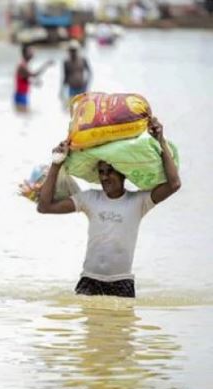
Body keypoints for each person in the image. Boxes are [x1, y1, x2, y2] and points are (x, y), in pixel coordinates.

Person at [36, 117, 181, 298]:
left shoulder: (139, 202)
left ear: (123, 174)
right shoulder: (90, 198)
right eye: (101, 172)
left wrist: (161, 141)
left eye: (110, 171)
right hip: (89, 281)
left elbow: (174, 184)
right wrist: (56, 163)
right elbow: (44, 206)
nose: (104, 177)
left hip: (122, 283)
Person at [14, 44, 54, 113]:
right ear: (24, 53)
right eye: (30, 51)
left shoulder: (24, 65)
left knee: (23, 115)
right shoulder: (22, 66)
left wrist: (34, 83)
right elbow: (34, 75)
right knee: (24, 115)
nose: (32, 53)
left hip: (22, 94)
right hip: (21, 95)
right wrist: (46, 65)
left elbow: (24, 79)